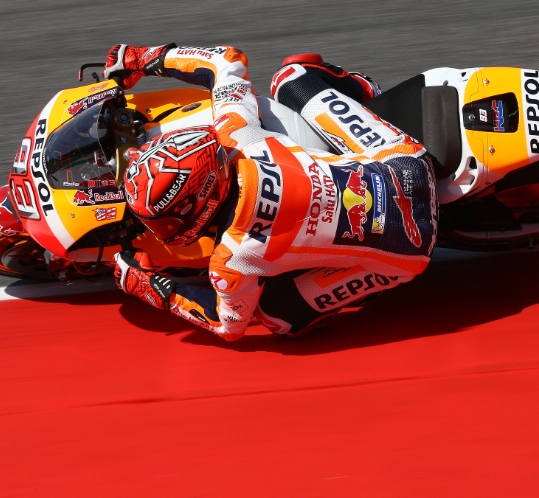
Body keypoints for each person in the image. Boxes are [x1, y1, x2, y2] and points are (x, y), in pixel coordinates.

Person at [106, 43, 437, 340]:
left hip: (412, 248)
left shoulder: (231, 259)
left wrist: (153, 288)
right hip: (408, 163)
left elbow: (229, 325)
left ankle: (371, 285)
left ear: (198, 207)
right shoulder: (238, 135)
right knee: (290, 77)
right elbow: (227, 60)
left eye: (163, 221)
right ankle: (367, 92)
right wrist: (144, 58)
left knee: (276, 318)